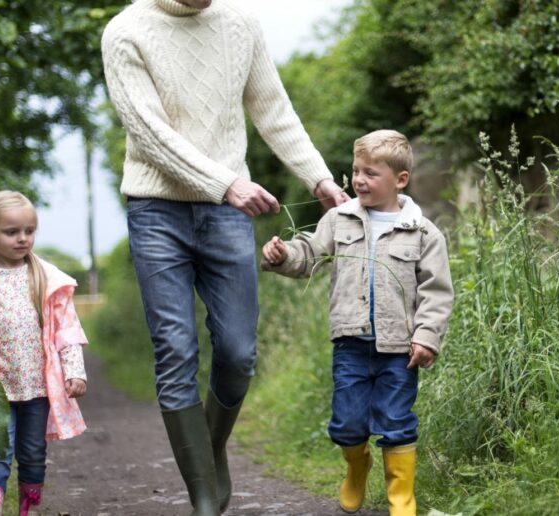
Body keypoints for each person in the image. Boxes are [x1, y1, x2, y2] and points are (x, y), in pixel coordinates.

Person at [101, 0, 349, 514]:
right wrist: (224, 183)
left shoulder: (240, 25)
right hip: (156, 213)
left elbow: (273, 109)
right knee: (175, 350)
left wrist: (318, 177)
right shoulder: (125, 31)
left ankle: (209, 455)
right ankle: (203, 500)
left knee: (238, 352)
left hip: (226, 214)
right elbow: (148, 132)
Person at [262, 130, 454, 516]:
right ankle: (356, 465)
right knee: (347, 424)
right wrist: (283, 255)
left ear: (400, 179)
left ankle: (401, 496)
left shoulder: (423, 232)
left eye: (370, 173)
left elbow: (437, 291)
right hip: (350, 344)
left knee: (397, 421)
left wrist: (427, 337)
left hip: (400, 349)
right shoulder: (339, 219)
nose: (358, 180)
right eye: (354, 171)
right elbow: (310, 255)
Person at [0, 191, 89, 516]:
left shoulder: (46, 278)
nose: (23, 238)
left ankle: (29, 507)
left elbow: (66, 329)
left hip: (37, 388)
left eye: (29, 231)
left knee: (33, 452)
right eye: (12, 232)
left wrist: (74, 370)